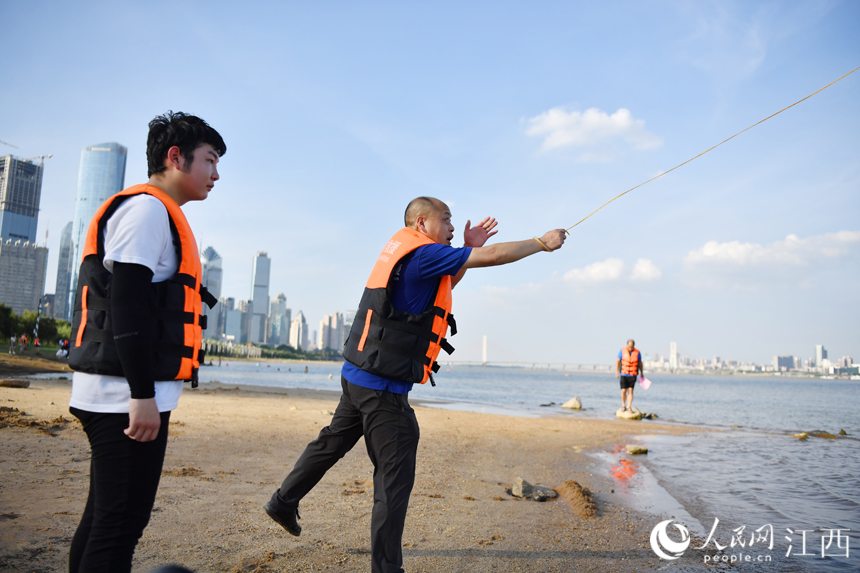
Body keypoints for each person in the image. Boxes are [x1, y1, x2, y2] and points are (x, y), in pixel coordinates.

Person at [264, 197, 567, 573]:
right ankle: (387, 568)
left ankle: (283, 501)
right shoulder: (424, 253)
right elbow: (493, 257)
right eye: (447, 219)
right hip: (382, 389)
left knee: (331, 442)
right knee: (394, 479)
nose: (452, 226)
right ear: (422, 223)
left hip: (357, 375)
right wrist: (541, 243)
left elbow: (447, 281)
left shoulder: (409, 252)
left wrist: (467, 247)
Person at [66, 111, 225, 573]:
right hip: (123, 395)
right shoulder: (148, 210)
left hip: (121, 391)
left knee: (103, 519)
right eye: (209, 160)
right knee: (119, 526)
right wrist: (141, 396)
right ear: (176, 157)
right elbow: (127, 303)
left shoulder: (156, 211)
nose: (216, 174)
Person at [615, 339, 643, 412]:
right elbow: (618, 361)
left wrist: (642, 373)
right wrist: (616, 371)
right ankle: (623, 405)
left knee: (630, 390)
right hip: (624, 373)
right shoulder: (622, 351)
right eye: (629, 346)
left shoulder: (637, 352)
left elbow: (640, 363)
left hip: (633, 374)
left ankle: (629, 406)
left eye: (632, 346)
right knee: (623, 390)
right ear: (627, 345)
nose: (630, 348)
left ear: (633, 346)